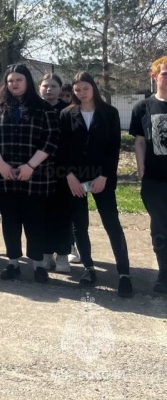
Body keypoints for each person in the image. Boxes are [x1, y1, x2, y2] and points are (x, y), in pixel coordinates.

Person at [0, 64, 59, 283]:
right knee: (10, 220)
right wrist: (0, 164)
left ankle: (37, 264)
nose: (14, 84)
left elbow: (51, 139)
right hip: (3, 174)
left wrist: (30, 166)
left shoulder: (43, 108)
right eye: (10, 81)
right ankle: (13, 262)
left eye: (18, 80)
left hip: (35, 174)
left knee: (35, 220)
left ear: (27, 81)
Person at [59, 72, 132, 297]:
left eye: (85, 88)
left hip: (101, 177)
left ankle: (124, 274)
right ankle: (89, 269)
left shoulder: (109, 113)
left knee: (112, 223)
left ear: (93, 88)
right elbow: (62, 148)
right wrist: (69, 176)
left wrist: (104, 176)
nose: (81, 93)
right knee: (80, 225)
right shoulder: (66, 114)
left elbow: (113, 148)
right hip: (75, 178)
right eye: (77, 89)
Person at [130, 55, 167, 294]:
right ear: (155, 77)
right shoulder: (142, 107)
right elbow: (140, 142)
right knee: (160, 229)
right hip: (155, 180)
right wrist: (141, 169)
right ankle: (164, 275)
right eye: (165, 73)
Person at [39, 73, 72, 272]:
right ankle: (45, 254)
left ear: (60, 89)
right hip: (38, 171)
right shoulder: (34, 109)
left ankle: (62, 256)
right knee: (42, 214)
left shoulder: (67, 112)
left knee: (62, 214)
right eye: (45, 85)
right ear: (39, 88)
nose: (49, 89)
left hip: (62, 171)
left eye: (53, 86)